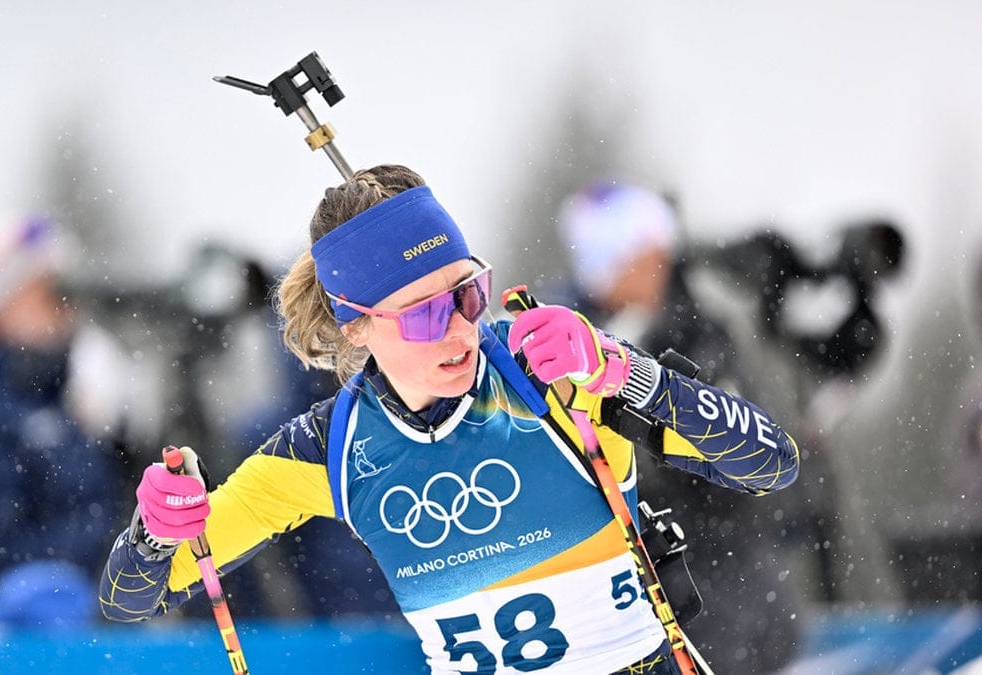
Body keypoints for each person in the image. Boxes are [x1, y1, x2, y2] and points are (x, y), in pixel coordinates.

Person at [99, 165, 799, 673]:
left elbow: (772, 462)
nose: (461, 329)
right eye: (424, 314)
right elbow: (131, 599)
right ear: (355, 326)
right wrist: (155, 533)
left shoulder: (549, 371)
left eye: (467, 294)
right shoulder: (331, 448)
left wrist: (630, 374)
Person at [552, 182, 805, 671]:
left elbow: (755, 455)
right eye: (638, 257)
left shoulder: (700, 332)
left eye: (657, 255)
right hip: (634, 594)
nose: (655, 268)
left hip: (724, 579)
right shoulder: (567, 334)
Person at [0, 215, 128, 624]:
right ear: (3, 305)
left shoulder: (53, 400)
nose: (65, 311)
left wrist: (122, 442)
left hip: (84, 636)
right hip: (32, 644)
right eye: (49, 294)